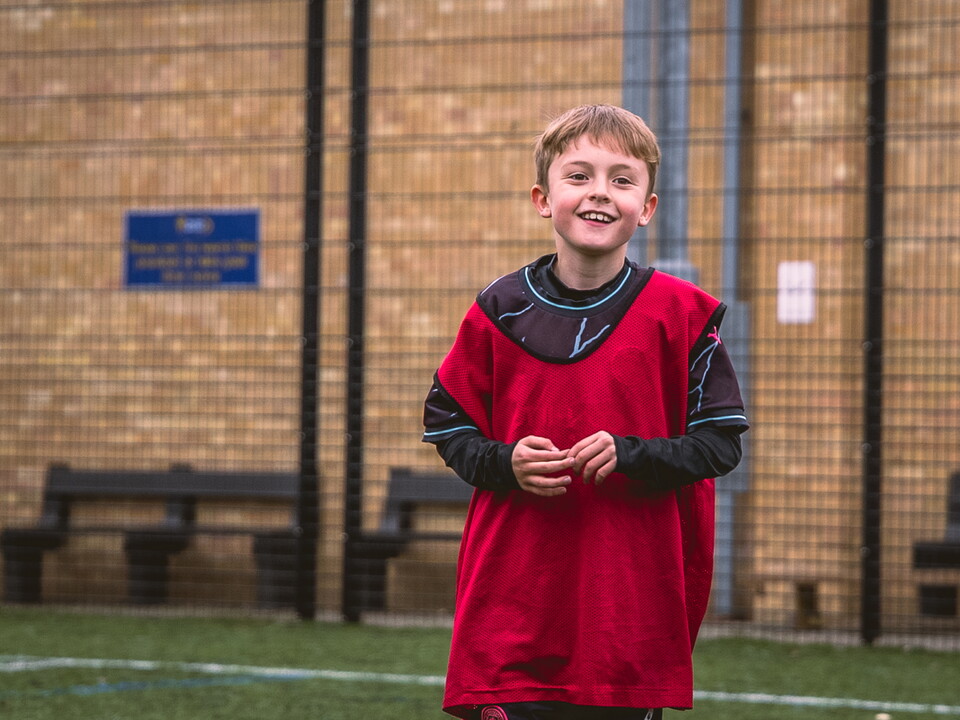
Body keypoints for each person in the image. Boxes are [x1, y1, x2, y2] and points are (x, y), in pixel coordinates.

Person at [422, 104, 749, 720]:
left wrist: (632, 453)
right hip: (513, 601)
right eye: (580, 176)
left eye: (622, 180)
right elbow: (449, 425)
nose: (600, 193)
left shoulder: (682, 317)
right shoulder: (497, 309)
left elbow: (721, 444)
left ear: (646, 208)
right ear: (544, 198)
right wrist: (504, 460)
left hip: (627, 613)